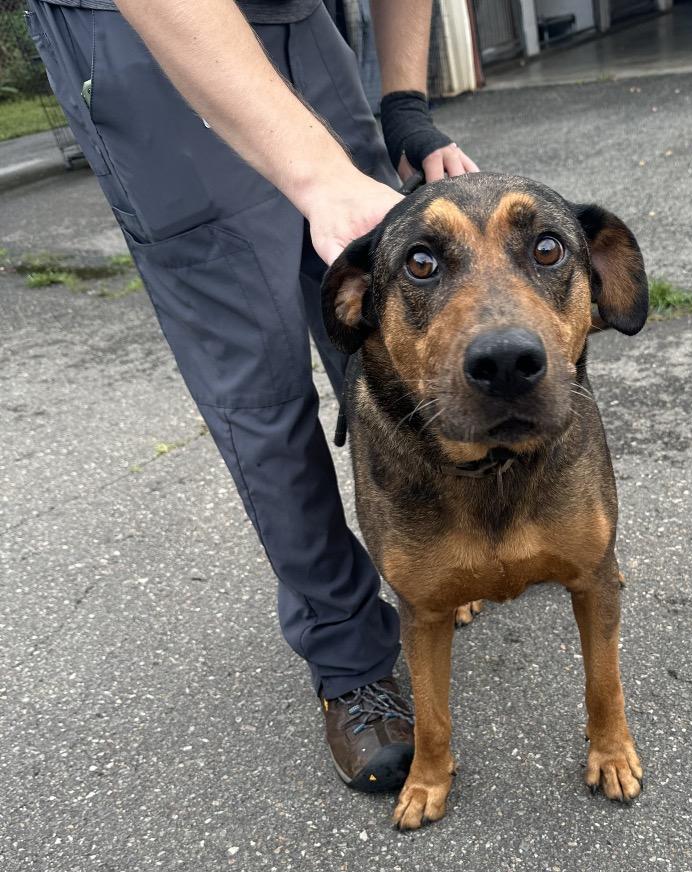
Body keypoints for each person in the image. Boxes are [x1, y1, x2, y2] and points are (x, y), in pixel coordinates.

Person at [25, 0, 478, 792]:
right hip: (145, 36)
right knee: (259, 383)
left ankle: (439, 548)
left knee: (389, 335)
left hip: (299, 21)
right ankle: (348, 659)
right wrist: (317, 175)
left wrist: (404, 105)